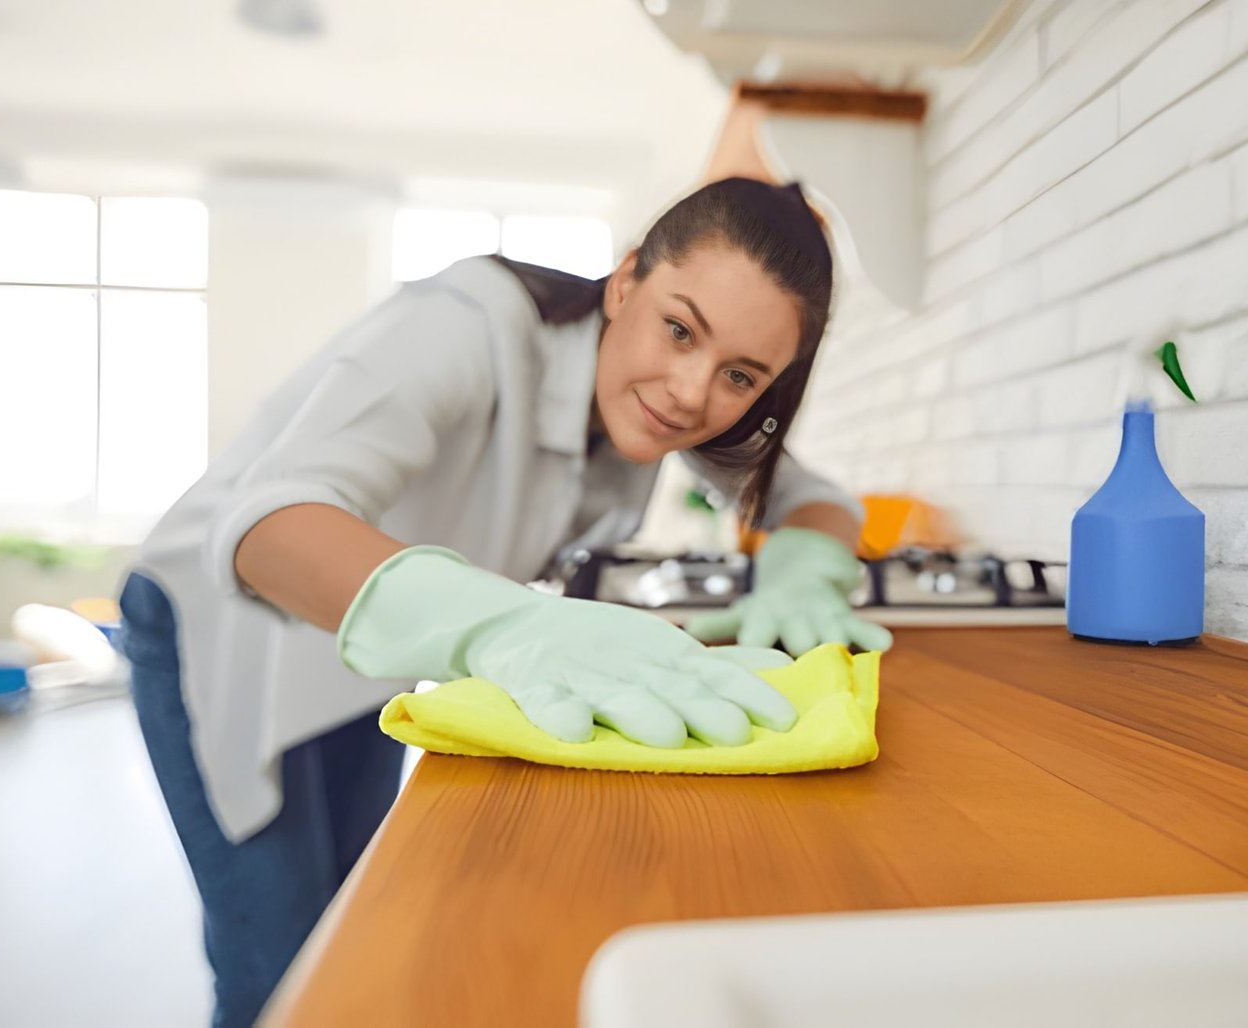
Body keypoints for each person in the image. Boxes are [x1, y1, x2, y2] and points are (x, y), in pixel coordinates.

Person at [115, 176, 892, 1026]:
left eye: (740, 375)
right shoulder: (466, 323)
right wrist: (512, 627)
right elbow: (264, 529)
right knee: (276, 965)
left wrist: (803, 571)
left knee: (351, 926)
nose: (691, 393)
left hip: (364, 649)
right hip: (221, 627)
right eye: (679, 329)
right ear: (626, 280)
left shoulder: (654, 409)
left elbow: (814, 500)